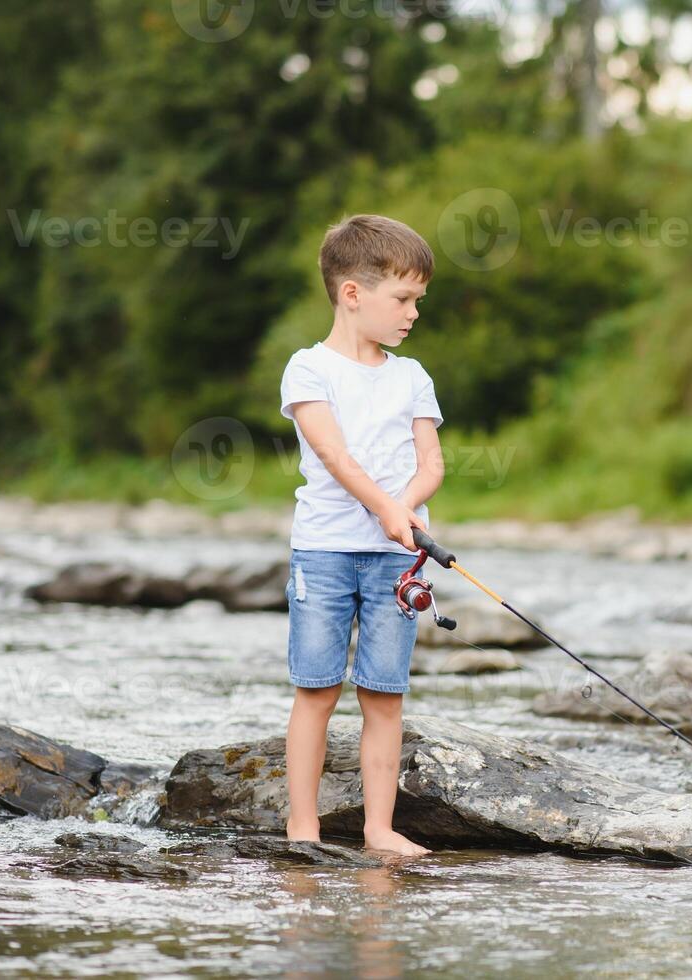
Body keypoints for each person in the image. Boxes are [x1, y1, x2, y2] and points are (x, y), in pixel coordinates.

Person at [278, 214, 443, 857]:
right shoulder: (308, 369)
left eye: (417, 302)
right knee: (316, 690)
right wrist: (385, 508)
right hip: (322, 552)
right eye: (402, 299)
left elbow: (431, 464)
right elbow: (336, 457)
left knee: (384, 694)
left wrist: (403, 511)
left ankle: (379, 830)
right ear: (353, 294)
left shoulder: (412, 376)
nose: (412, 314)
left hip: (394, 562)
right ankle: (303, 827)